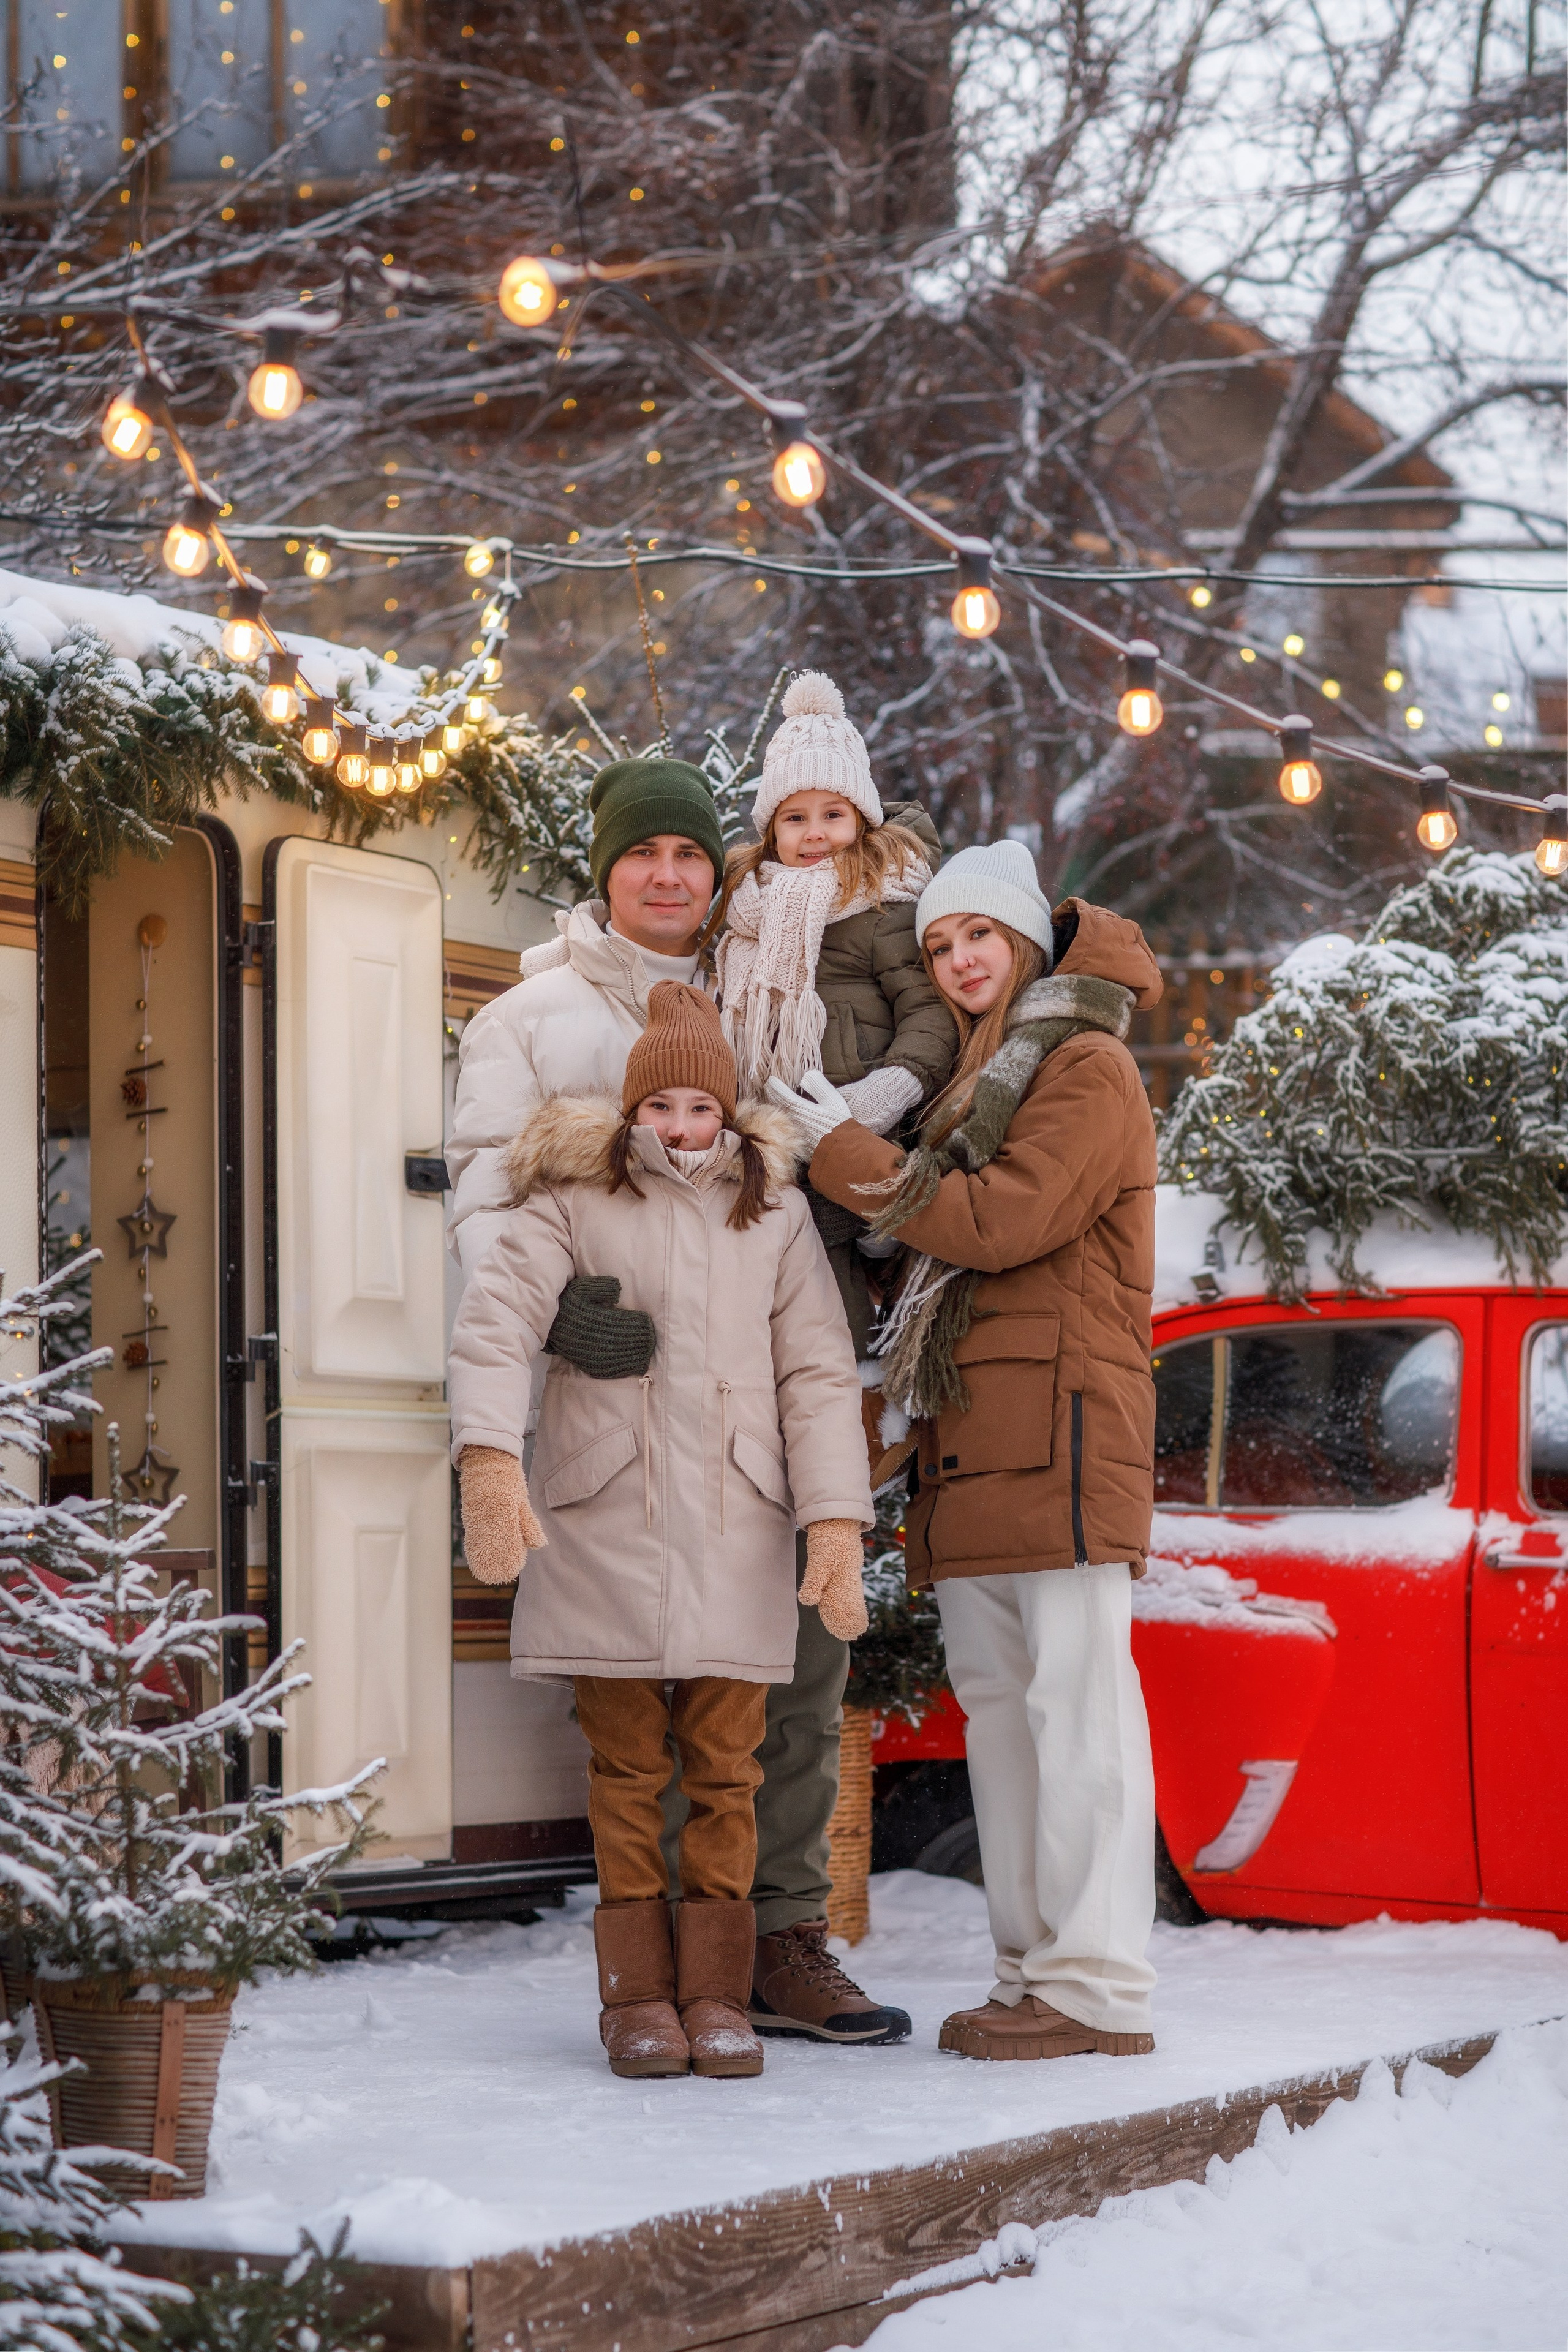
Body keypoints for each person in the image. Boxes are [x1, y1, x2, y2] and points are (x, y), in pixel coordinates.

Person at [446, 755, 911, 2047]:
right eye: (645, 855)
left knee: (789, 1684)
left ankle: (774, 1942)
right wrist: (561, 1322)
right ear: (605, 869)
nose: (669, 875)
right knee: (638, 1715)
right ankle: (652, 1981)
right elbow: (488, 1207)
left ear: (719, 872)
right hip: (617, 1411)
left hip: (762, 1397)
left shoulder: (758, 982)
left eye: (692, 857)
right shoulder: (529, 1021)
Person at [769, 841, 1163, 2062]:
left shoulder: (1084, 1067)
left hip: (1060, 1437)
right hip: (979, 1448)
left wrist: (840, 1150)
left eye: (976, 937)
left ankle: (1093, 1986)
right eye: (938, 946)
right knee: (1003, 1717)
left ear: (1029, 943)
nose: (957, 961)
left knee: (1075, 1715)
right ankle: (1028, 1972)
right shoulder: (975, 1089)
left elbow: (999, 1222)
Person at [710, 670, 958, 1359]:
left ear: (862, 820)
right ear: (770, 829)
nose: (814, 834)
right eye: (795, 817)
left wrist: (889, 1091)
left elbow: (930, 1013)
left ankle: (856, 1404)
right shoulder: (747, 915)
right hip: (770, 1136)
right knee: (774, 1295)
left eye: (832, 814)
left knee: (834, 1310)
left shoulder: (886, 906)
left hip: (858, 1122)